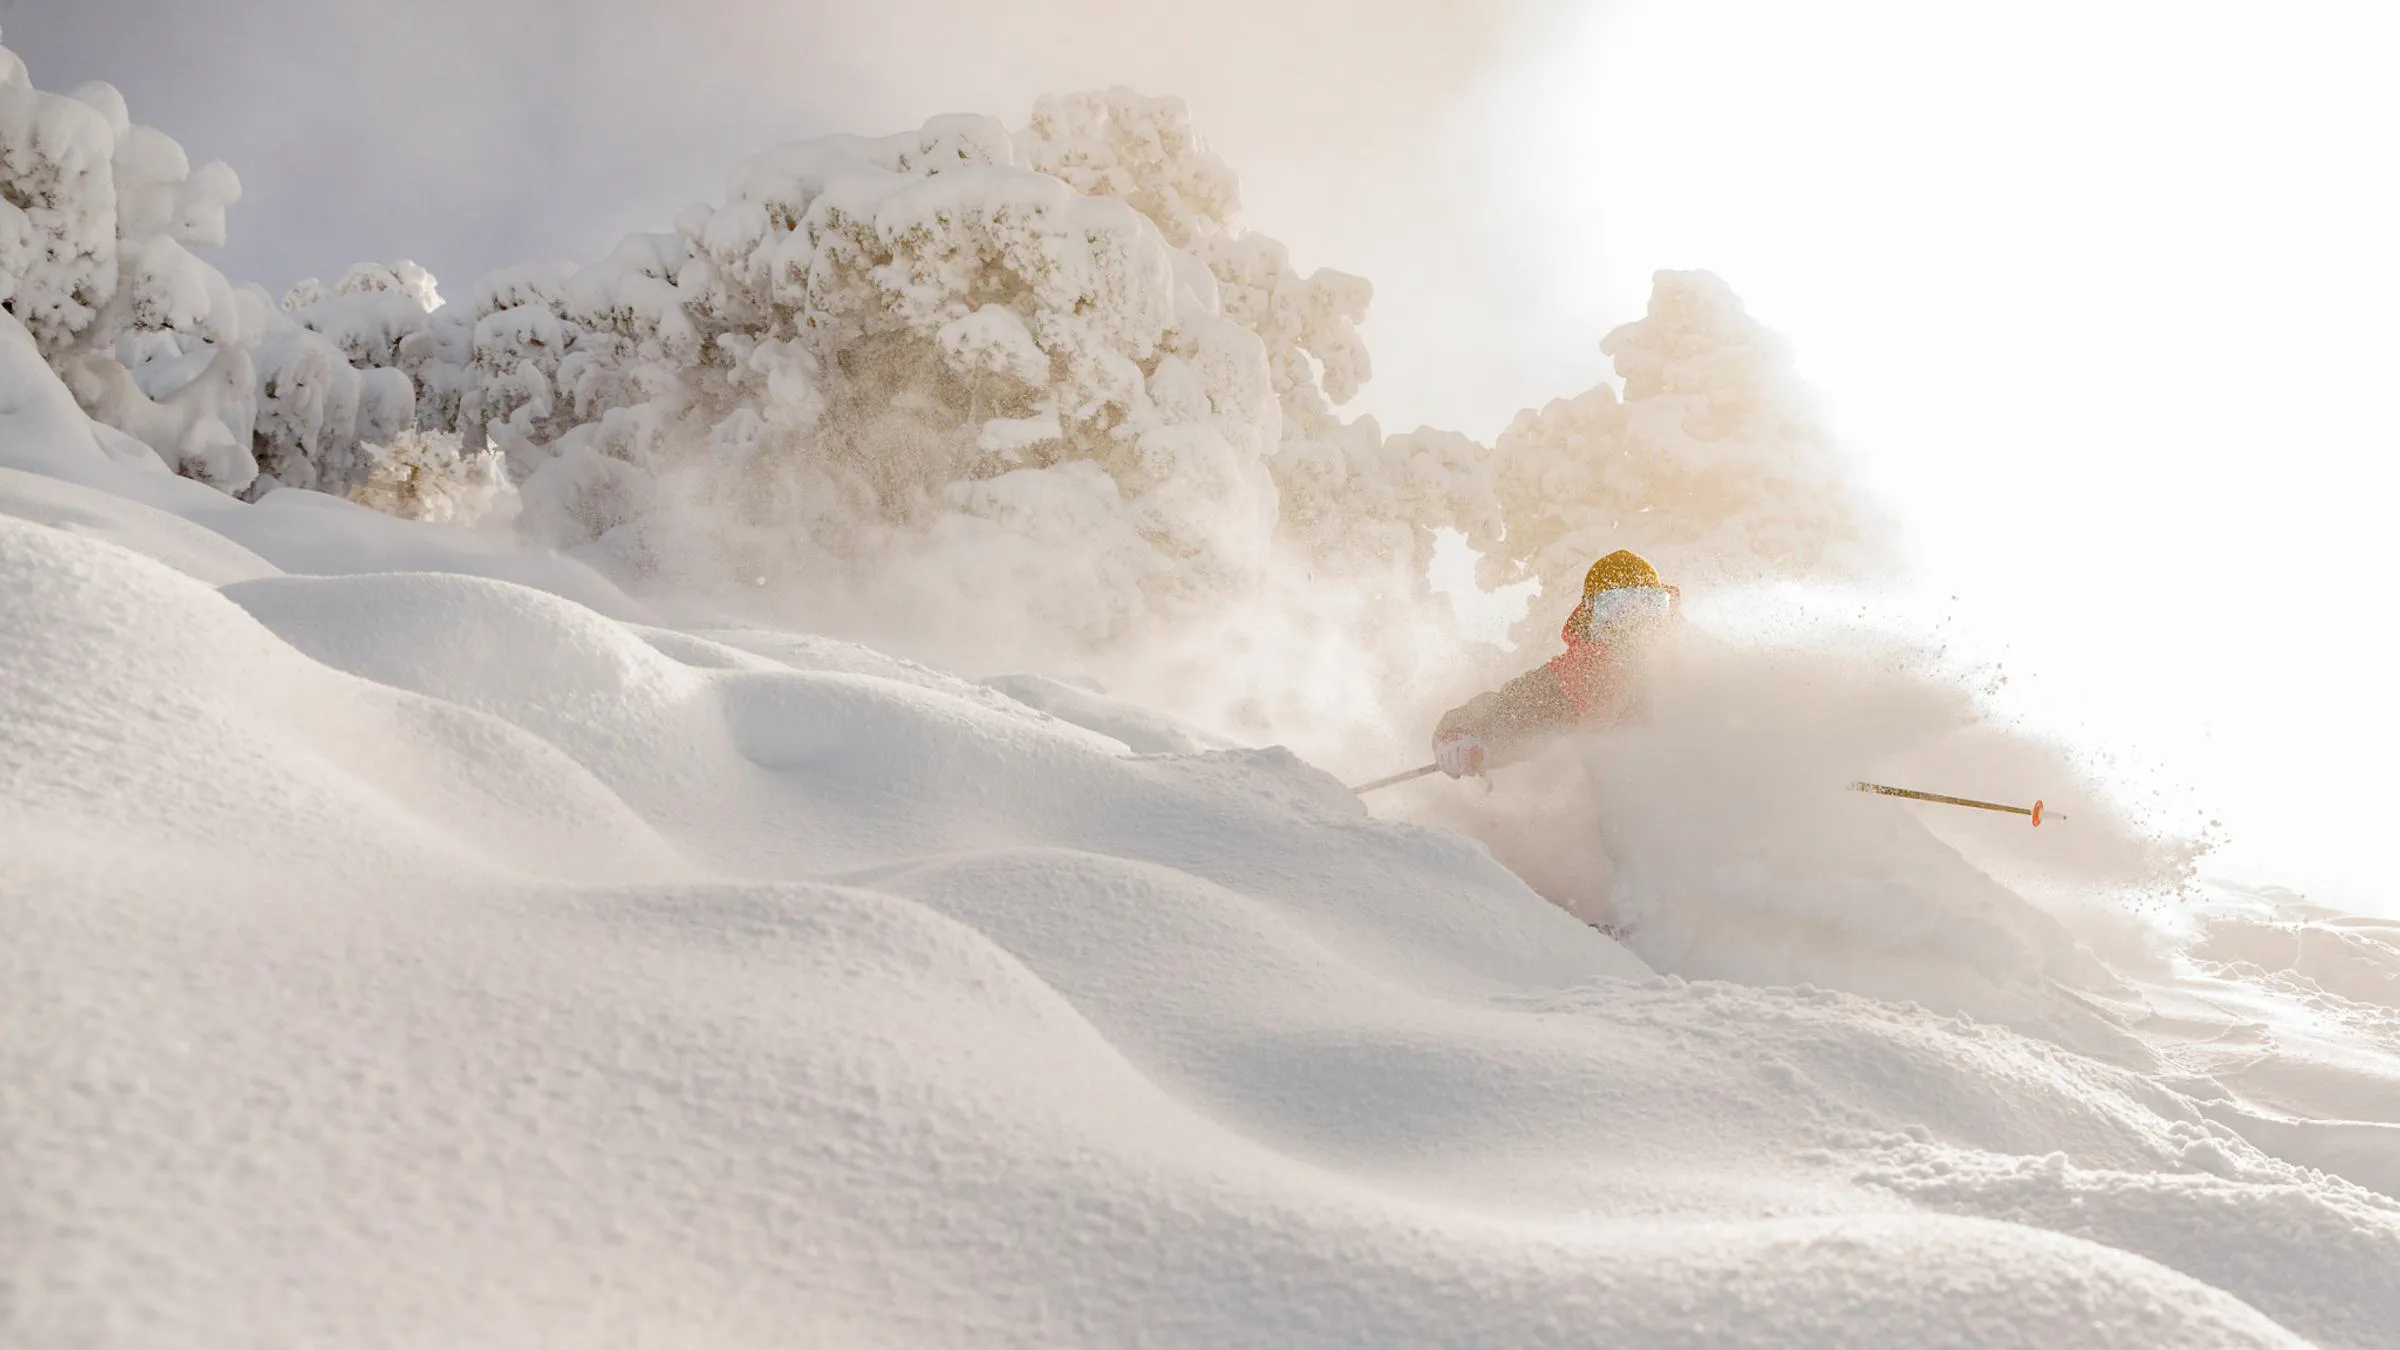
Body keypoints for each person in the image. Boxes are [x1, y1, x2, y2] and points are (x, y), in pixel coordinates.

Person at [1432, 549, 1677, 778]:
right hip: (1617, 810)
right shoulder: (1579, 676)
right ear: (1591, 618)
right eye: (1616, 609)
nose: (1632, 624)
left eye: (1648, 607)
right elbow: (1508, 711)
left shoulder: (1688, 661)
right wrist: (1458, 734)